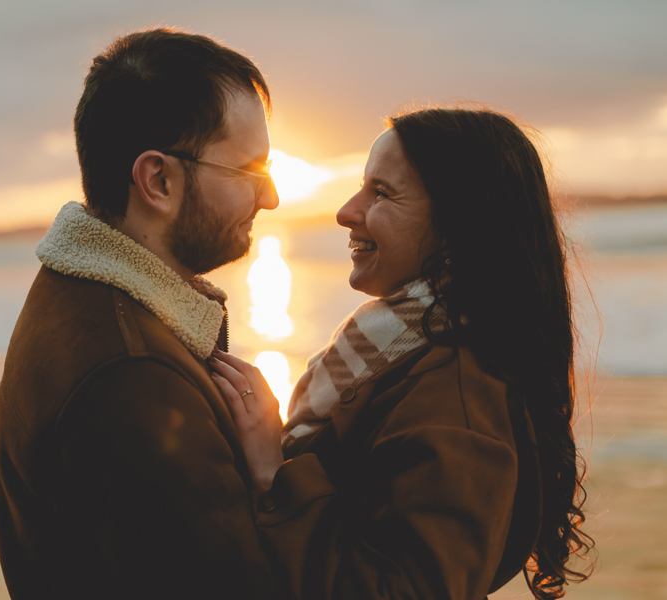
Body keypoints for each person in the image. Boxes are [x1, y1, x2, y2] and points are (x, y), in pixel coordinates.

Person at [209, 108, 594, 600]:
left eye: (381, 193)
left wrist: (274, 474)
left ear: (458, 227)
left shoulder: (458, 396)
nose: (347, 211)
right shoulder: (398, 356)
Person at [0, 28, 280, 599]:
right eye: (251, 171)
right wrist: (277, 480)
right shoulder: (134, 378)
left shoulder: (72, 293)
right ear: (158, 180)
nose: (270, 198)